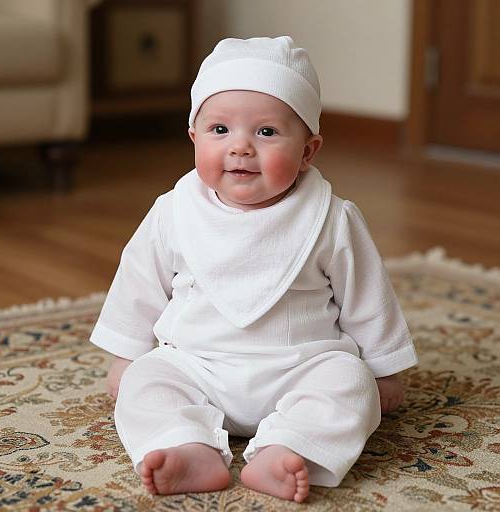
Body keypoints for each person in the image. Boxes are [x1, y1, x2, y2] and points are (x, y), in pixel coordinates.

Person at [90, 36, 418, 503]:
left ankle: (289, 448)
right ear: (193, 138)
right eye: (219, 130)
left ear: (308, 150)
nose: (240, 148)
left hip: (302, 366)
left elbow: (367, 295)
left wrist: (384, 368)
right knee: (145, 381)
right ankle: (187, 446)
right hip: (196, 364)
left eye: (266, 133)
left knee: (350, 383)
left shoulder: (331, 217)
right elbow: (139, 284)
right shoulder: (173, 212)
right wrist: (127, 353)